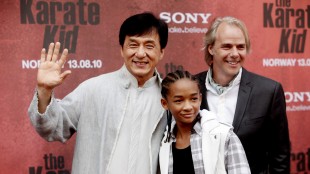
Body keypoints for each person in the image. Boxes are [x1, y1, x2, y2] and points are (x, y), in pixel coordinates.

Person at [28, 12, 168, 174]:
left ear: (161, 52)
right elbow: (53, 127)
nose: (141, 53)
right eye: (133, 45)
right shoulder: (93, 89)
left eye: (149, 46)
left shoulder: (169, 98)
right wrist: (44, 91)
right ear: (122, 50)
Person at [195, 16, 290, 173]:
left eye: (240, 47)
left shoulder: (268, 92)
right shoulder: (190, 87)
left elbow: (279, 157)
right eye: (227, 46)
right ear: (211, 48)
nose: (234, 53)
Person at [159, 70, 251, 174]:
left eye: (194, 99)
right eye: (179, 101)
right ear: (165, 103)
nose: (188, 107)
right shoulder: (165, 142)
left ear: (200, 99)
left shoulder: (224, 135)